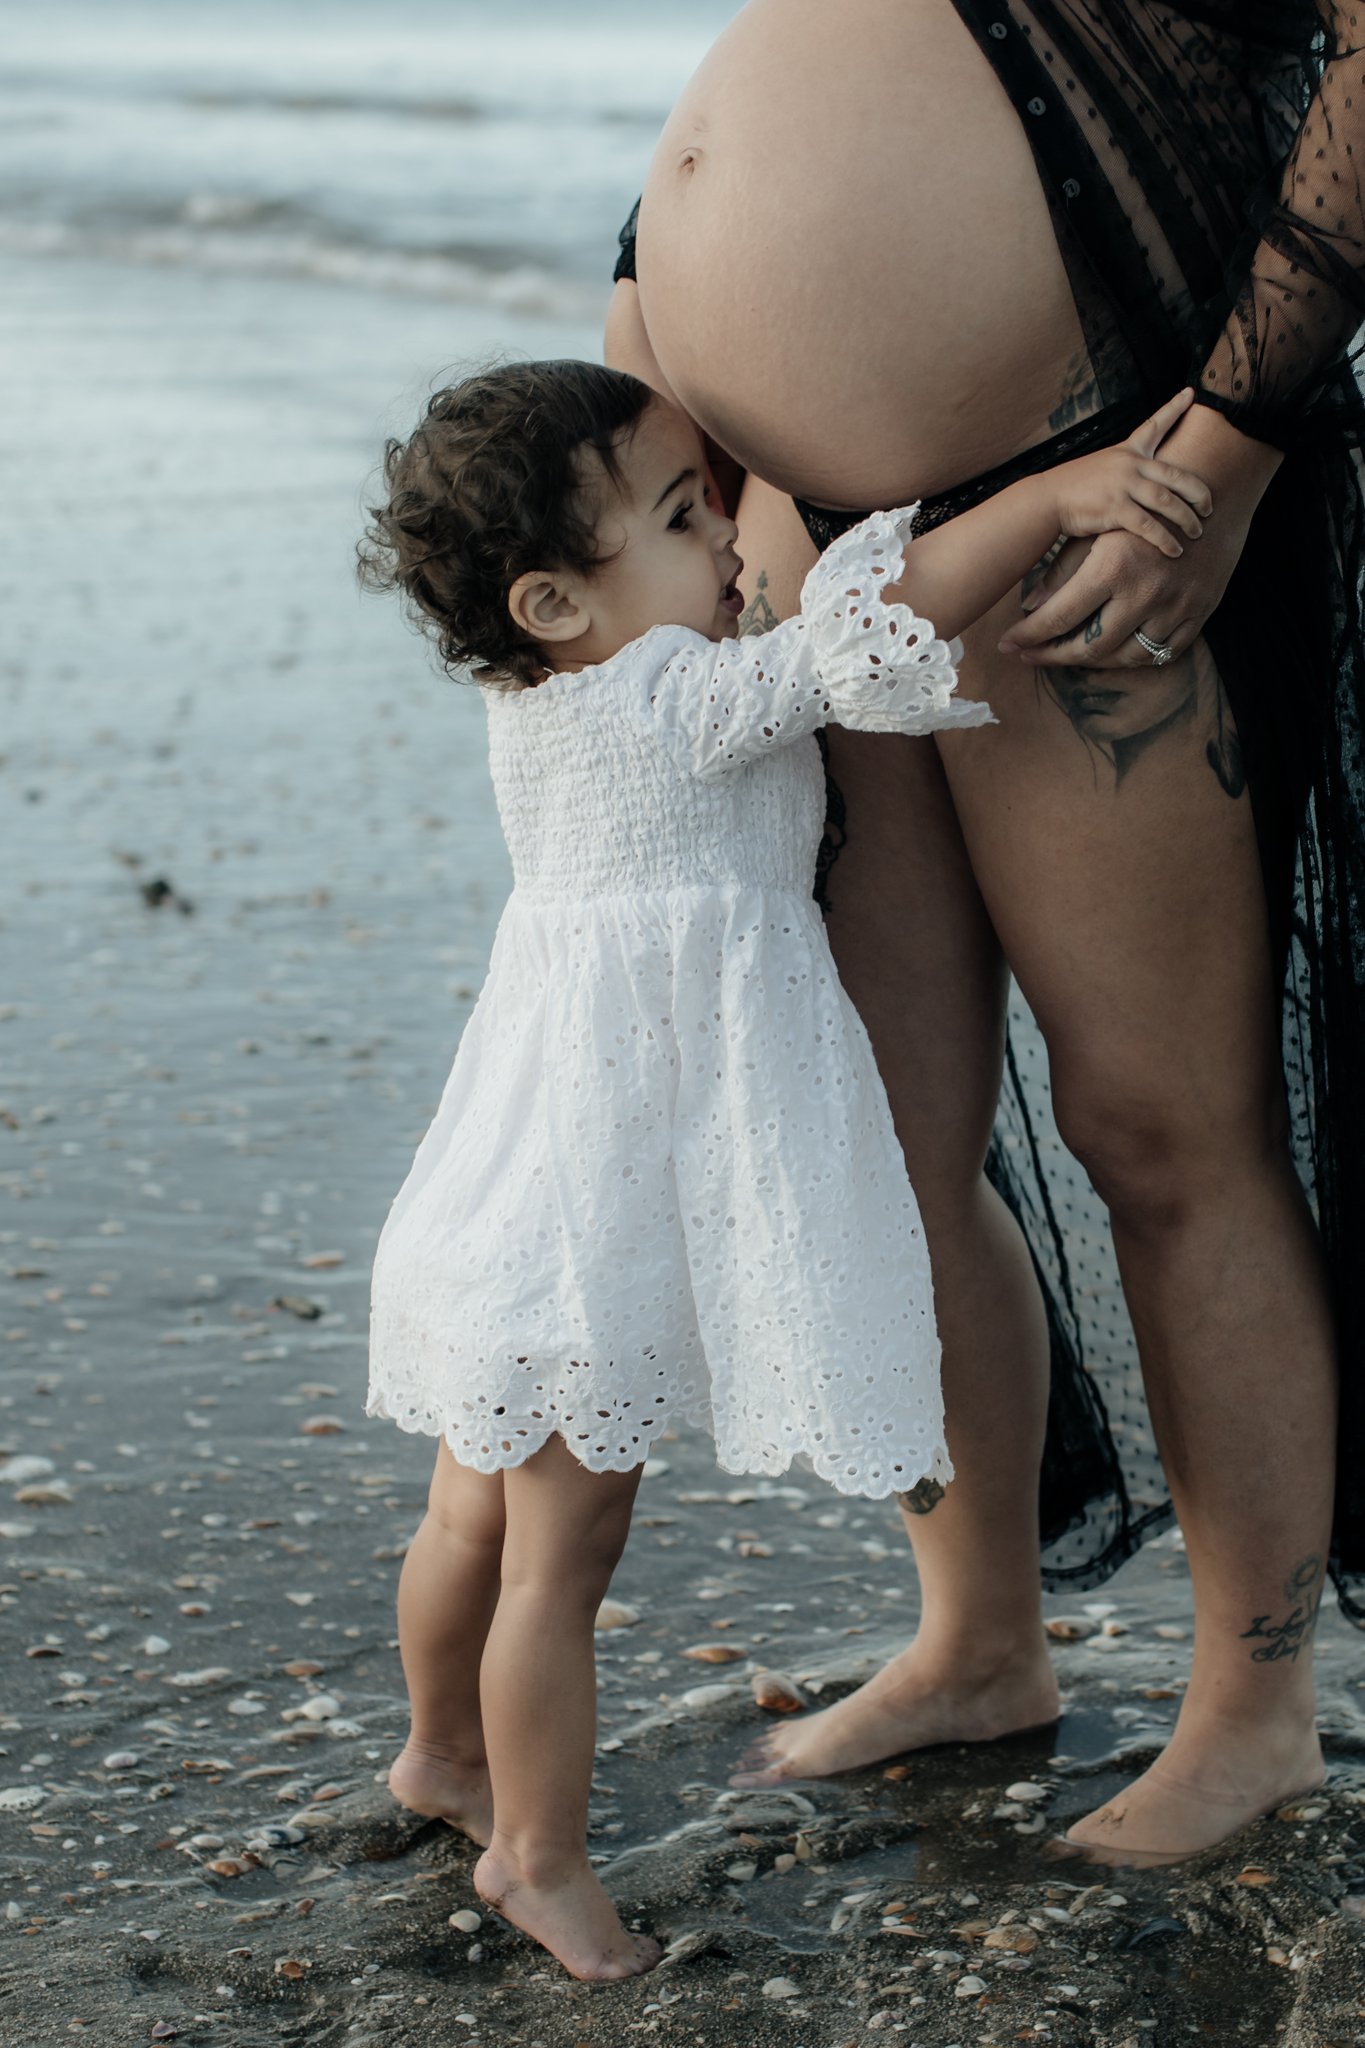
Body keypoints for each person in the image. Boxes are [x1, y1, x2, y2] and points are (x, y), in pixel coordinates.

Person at [606, 0, 1365, 1866]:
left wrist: (1237, 429)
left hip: (1098, 491)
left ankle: (1252, 1710)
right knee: (882, 1125)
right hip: (781, 524)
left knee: (1156, 1127)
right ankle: (977, 1641)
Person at [358, 358, 1208, 1976]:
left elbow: (748, 621)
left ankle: (441, 1756)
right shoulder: (671, 703)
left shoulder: (540, 699)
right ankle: (534, 1855)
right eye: (686, 516)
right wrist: (1040, 499)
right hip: (593, 1205)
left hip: (514, 1181)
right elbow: (850, 646)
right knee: (563, 1552)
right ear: (553, 602)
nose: (732, 537)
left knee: (469, 1514)